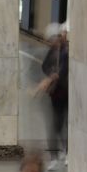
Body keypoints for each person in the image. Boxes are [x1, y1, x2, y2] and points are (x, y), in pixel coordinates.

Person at [35, 23, 69, 158]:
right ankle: (57, 154)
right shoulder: (53, 51)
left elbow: (64, 69)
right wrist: (51, 74)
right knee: (57, 124)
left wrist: (55, 76)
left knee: (64, 124)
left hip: (66, 92)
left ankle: (67, 151)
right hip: (56, 93)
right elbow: (45, 66)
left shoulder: (66, 52)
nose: (51, 43)